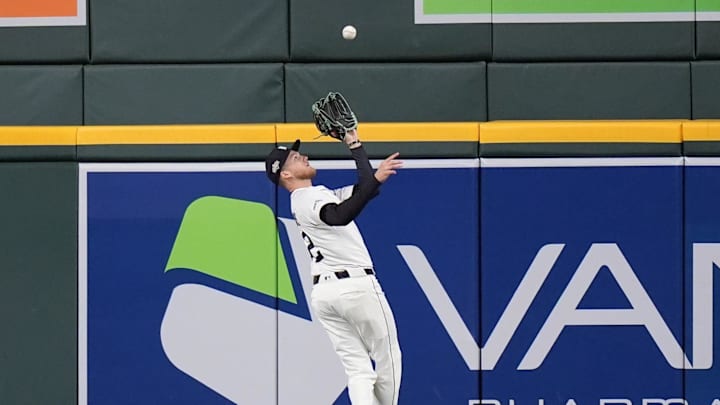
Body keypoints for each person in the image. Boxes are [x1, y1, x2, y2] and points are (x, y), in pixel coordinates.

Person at [265, 129, 403, 405]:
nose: (303, 156)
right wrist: (371, 174)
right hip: (355, 287)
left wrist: (355, 144)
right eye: (294, 157)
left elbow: (365, 190)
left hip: (325, 295)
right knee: (388, 357)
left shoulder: (314, 196)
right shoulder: (309, 199)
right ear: (286, 174)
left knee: (358, 370)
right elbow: (339, 216)